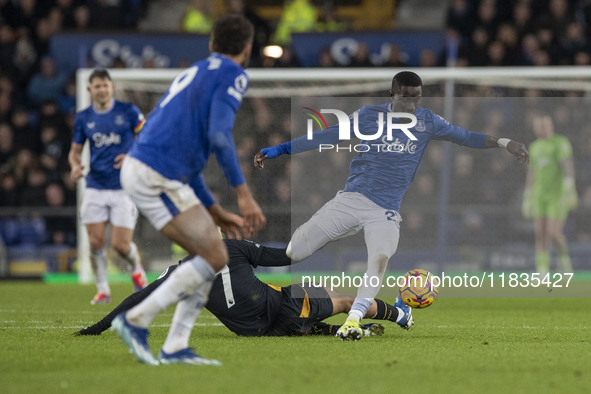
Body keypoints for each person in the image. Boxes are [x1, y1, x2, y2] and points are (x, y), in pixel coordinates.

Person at [254, 71, 529, 341]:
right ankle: (246, 261)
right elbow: (326, 136)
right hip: (350, 200)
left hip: (383, 212)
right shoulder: (368, 116)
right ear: (392, 95)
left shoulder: (427, 121)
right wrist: (280, 149)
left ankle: (353, 320)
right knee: (295, 251)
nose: (412, 106)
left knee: (379, 259)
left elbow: (466, 136)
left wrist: (504, 143)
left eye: (417, 99)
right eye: (406, 99)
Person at [112, 15, 266, 366]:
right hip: (156, 173)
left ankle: (175, 346)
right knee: (213, 256)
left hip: (157, 169)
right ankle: (135, 321)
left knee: (212, 256)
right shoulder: (233, 73)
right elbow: (219, 137)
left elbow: (190, 158)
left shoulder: (196, 72)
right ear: (247, 49)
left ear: (211, 46)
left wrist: (215, 211)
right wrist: (243, 194)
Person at [76, 238, 410, 338]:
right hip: (285, 307)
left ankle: (350, 332)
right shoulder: (232, 247)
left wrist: (99, 327)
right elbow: (282, 256)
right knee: (345, 299)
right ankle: (401, 315)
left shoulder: (179, 274)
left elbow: (138, 298)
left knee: (308, 321)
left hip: (259, 332)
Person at [68, 68, 147, 305]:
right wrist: (74, 166)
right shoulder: (83, 118)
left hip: (123, 186)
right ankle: (103, 290)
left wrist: (131, 156)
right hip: (95, 186)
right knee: (95, 242)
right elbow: (75, 152)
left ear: (112, 87)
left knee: (121, 246)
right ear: (89, 90)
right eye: (97, 86)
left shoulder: (129, 111)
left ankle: (136, 271)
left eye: (105, 85)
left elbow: (148, 138)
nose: (102, 90)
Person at [522, 114, 577, 274]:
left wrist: (569, 186)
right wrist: (527, 196)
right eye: (538, 126)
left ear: (551, 126)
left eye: (544, 126)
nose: (541, 129)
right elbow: (531, 173)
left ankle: (564, 259)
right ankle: (542, 270)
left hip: (557, 195)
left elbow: (567, 165)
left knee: (553, 233)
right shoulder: (534, 147)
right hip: (540, 196)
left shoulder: (560, 143)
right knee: (540, 234)